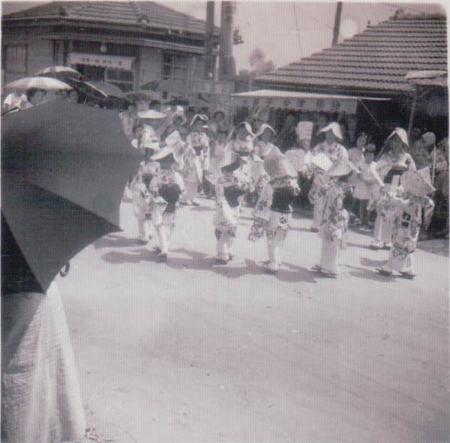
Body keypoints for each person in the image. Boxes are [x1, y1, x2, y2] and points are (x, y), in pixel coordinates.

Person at [376, 168, 435, 279]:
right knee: (409, 245)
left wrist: (392, 200)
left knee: (400, 243)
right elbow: (429, 206)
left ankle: (389, 267)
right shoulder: (421, 199)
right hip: (413, 225)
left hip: (406, 224)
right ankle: (409, 269)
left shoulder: (413, 198)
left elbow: (403, 204)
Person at [250, 152, 300, 274]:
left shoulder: (270, 185)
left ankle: (273, 263)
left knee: (271, 239)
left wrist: (259, 216)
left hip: (274, 214)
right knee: (280, 238)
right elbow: (296, 193)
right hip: (287, 214)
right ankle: (277, 260)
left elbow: (263, 202)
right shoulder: (293, 183)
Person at [370, 128, 416, 250]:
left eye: (398, 141)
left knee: (394, 214)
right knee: (381, 213)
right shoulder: (386, 155)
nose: (395, 143)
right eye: (393, 140)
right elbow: (376, 168)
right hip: (385, 185)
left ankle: (388, 240)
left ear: (403, 142)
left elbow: (412, 173)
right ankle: (377, 240)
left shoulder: (407, 157)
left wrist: (403, 185)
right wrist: (388, 169)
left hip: (399, 187)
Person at [311, 161, 353, 278]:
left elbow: (338, 204)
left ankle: (332, 267)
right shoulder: (340, 186)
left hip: (336, 216)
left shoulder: (341, 188)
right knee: (328, 240)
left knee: (332, 241)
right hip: (334, 214)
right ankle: (324, 264)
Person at [309, 122, 349, 232]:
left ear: (336, 134)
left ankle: (326, 223)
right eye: (328, 132)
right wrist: (312, 171)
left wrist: (336, 177)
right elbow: (311, 159)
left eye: (332, 133)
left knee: (330, 202)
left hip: (333, 178)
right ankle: (316, 223)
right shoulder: (319, 146)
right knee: (318, 201)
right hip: (320, 176)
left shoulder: (341, 150)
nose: (329, 135)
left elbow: (343, 165)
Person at [213, 149, 251, 264]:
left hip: (224, 206)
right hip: (234, 206)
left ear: (223, 169)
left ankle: (223, 254)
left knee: (221, 232)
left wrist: (221, 204)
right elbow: (243, 191)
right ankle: (229, 251)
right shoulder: (237, 179)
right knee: (231, 231)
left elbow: (219, 196)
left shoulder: (220, 180)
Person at [149, 145, 185, 261]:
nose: (165, 163)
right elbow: (152, 186)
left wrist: (174, 191)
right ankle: (163, 245)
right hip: (159, 202)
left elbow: (181, 190)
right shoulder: (157, 174)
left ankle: (164, 247)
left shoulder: (176, 175)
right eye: (162, 161)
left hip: (170, 203)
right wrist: (156, 190)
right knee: (160, 224)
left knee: (166, 225)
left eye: (167, 161)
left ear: (172, 162)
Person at [131, 147, 160, 244]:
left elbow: (138, 177)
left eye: (150, 152)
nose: (149, 155)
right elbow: (139, 177)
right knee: (148, 213)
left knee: (144, 214)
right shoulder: (144, 164)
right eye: (148, 152)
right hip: (146, 189)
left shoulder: (153, 164)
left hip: (148, 190)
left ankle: (145, 235)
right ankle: (148, 233)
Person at [352, 143, 384, 227]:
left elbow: (378, 175)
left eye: (371, 155)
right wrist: (365, 180)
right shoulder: (361, 164)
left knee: (370, 203)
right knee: (362, 202)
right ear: (365, 155)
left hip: (371, 186)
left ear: (373, 156)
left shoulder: (375, 165)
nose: (369, 157)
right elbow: (358, 174)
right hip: (362, 185)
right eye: (367, 155)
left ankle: (367, 220)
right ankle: (362, 219)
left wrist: (373, 181)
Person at [183, 114, 210, 205]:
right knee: (189, 177)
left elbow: (206, 146)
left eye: (201, 124)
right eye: (198, 124)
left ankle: (193, 197)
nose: (199, 126)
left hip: (200, 157)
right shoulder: (190, 135)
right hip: (191, 157)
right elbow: (187, 145)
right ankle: (186, 197)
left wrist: (205, 155)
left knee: (197, 178)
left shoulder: (204, 135)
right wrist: (191, 150)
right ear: (194, 124)